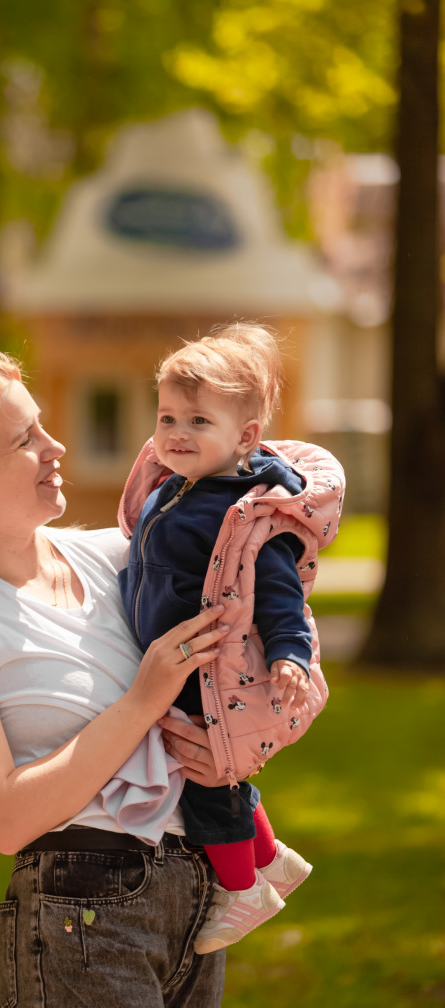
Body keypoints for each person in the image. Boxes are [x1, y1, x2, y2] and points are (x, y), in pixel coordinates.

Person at [0, 348, 233, 1008]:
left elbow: (241, 642)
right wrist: (140, 703)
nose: (55, 445)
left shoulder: (119, 557)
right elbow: (1, 818)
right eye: (24, 439)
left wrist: (223, 759)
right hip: (81, 917)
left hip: (192, 892)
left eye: (41, 427)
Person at [118, 323, 342, 955]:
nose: (175, 435)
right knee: (223, 772)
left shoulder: (243, 513)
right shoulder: (178, 488)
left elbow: (278, 593)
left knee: (208, 777)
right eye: (166, 418)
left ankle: (240, 887)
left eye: (197, 421)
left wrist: (290, 654)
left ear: (244, 437)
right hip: (177, 658)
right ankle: (271, 857)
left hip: (208, 667)